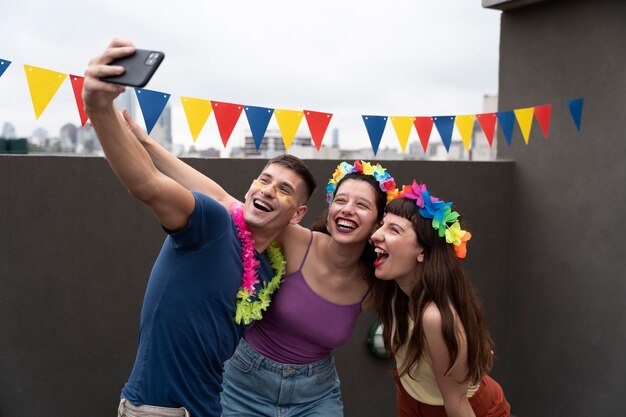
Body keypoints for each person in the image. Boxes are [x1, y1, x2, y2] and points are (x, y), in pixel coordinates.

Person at [82, 39, 316, 417]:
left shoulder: (271, 268)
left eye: (283, 190)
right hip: (157, 409)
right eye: (263, 179)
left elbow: (224, 195)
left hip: (209, 407)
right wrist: (97, 107)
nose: (267, 190)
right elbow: (146, 184)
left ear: (297, 214)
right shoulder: (211, 223)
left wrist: (151, 144)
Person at [123, 115, 398, 415]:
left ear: (378, 222)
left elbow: (422, 273)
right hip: (245, 383)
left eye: (361, 205)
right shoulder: (293, 240)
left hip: (315, 395)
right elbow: (220, 198)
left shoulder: (376, 281)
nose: (347, 210)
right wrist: (147, 142)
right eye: (341, 200)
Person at [370, 181, 511, 417]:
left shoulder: (435, 316)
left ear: (423, 251)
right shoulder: (394, 291)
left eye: (394, 230)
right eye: (381, 225)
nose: (375, 235)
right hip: (411, 401)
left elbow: (457, 403)